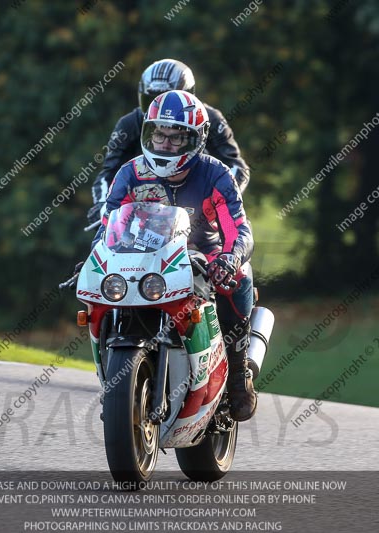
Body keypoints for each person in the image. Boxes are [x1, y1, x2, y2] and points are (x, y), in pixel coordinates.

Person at [87, 89, 257, 421]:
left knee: (241, 278)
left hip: (204, 258)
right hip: (144, 260)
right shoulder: (130, 173)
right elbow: (107, 225)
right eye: (159, 134)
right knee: (99, 293)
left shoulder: (217, 175)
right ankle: (115, 381)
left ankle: (238, 375)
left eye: (176, 137)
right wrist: (96, 254)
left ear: (196, 139)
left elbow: (239, 229)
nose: (165, 144)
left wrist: (230, 259)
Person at [87, 58, 249, 225]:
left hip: (198, 207)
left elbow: (237, 166)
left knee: (230, 240)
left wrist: (221, 204)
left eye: (169, 100)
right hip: (143, 212)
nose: (160, 111)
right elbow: (109, 172)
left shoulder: (211, 119)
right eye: (152, 100)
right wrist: (103, 205)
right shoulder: (129, 124)